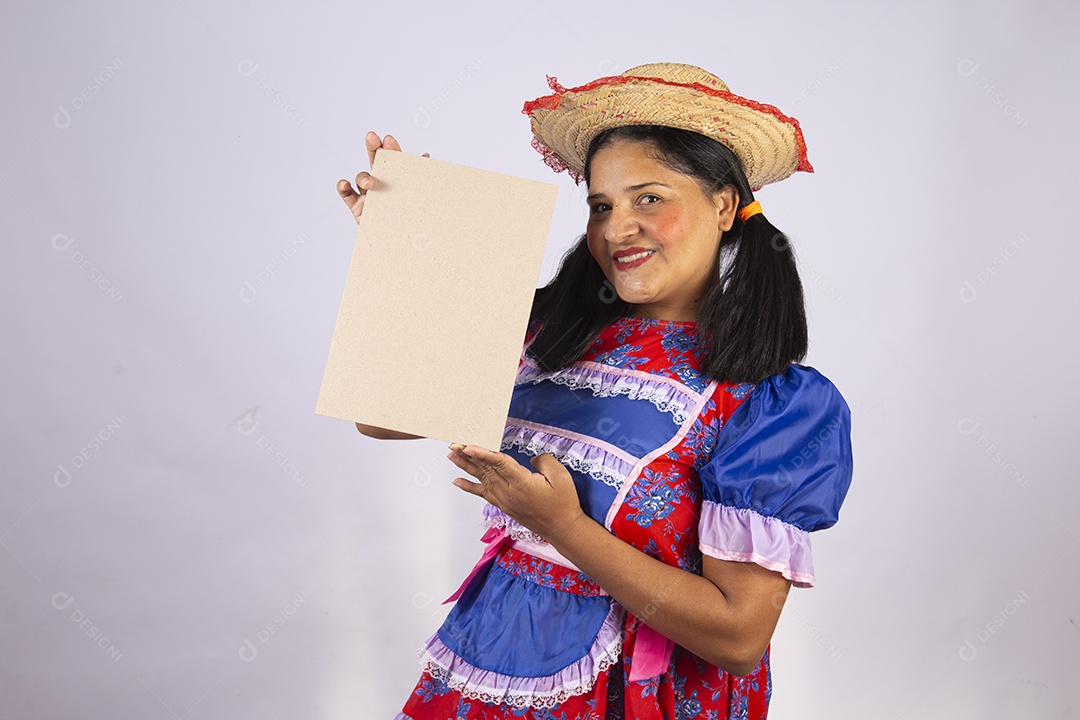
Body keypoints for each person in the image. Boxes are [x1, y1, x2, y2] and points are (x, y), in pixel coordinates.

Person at [337, 63, 853, 720]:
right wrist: (412, 261)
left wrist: (562, 527)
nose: (618, 228)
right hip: (495, 667)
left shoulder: (772, 403)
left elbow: (739, 637)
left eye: (650, 198)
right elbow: (381, 421)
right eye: (603, 205)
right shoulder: (553, 334)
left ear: (724, 205)